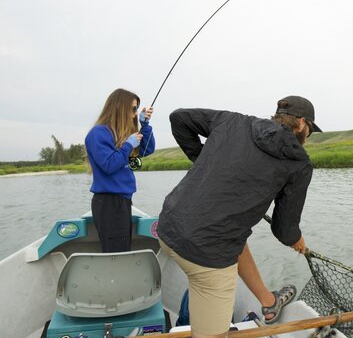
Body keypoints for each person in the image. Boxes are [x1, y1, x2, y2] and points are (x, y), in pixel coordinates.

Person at [157, 95, 322, 338]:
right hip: (206, 256)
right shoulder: (299, 164)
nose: (308, 136)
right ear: (300, 123)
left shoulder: (234, 121)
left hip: (168, 228)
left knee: (235, 237)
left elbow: (179, 118)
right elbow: (284, 229)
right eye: (309, 129)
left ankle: (268, 301)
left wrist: (202, 158)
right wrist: (295, 239)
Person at [85, 88, 155, 253]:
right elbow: (109, 165)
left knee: (122, 249)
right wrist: (128, 145)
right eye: (133, 109)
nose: (134, 114)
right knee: (117, 254)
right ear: (119, 108)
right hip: (109, 203)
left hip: (122, 201)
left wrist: (145, 126)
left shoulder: (122, 134)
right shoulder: (98, 133)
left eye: (137, 109)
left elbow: (147, 150)